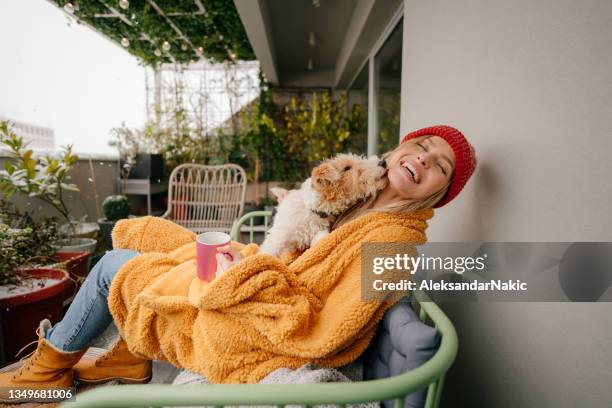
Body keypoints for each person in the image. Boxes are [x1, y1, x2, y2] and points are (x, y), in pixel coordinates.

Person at [0, 125, 476, 402]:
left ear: (437, 191)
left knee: (113, 266)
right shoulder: (358, 206)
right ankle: (124, 358)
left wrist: (241, 276)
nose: (424, 158)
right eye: (424, 145)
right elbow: (299, 258)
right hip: (256, 291)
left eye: (441, 165)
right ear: (400, 150)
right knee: (151, 235)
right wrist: (249, 259)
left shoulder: (393, 244)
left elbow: (326, 330)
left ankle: (47, 373)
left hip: (255, 329)